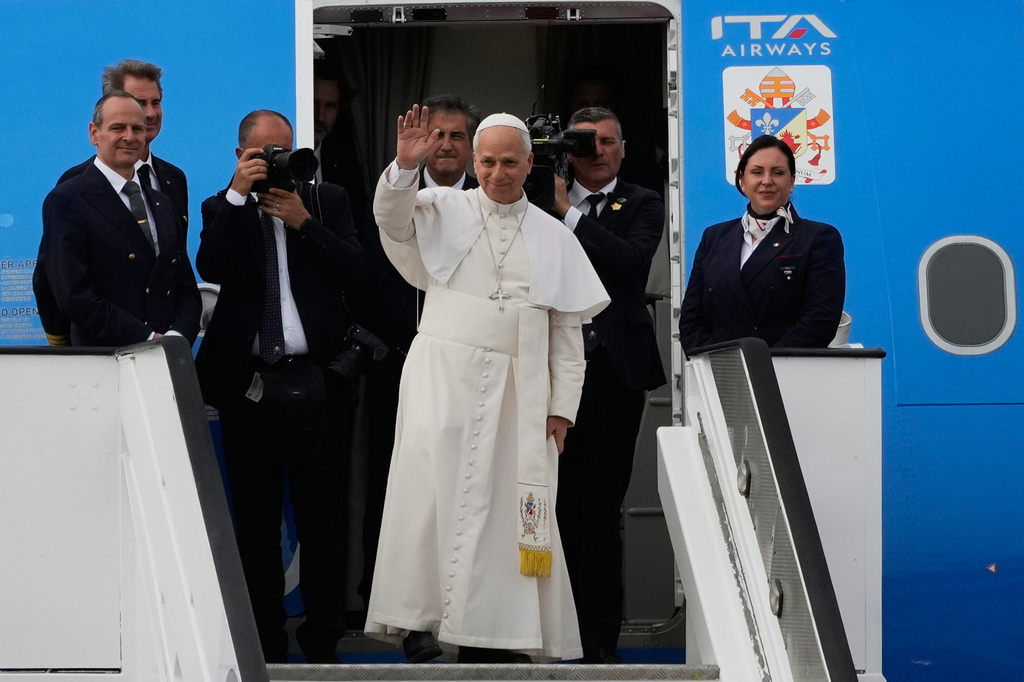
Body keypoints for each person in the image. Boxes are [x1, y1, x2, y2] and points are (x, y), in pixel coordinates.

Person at [364, 106, 609, 664]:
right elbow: (390, 218)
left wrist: (561, 410)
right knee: (428, 498)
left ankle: (499, 631)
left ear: (531, 165)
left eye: (511, 163)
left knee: (509, 511)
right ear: (474, 162)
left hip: (519, 392)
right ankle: (419, 620)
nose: (500, 173)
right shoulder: (441, 207)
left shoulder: (554, 235)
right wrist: (405, 165)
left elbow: (566, 333)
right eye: (489, 162)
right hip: (441, 377)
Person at [193, 109, 365, 663]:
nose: (276, 163)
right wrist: (241, 197)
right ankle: (264, 641)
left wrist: (304, 222)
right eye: (264, 153)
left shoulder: (326, 200)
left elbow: (356, 270)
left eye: (284, 151)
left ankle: (323, 640)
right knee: (257, 524)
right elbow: (211, 264)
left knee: (323, 522)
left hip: (320, 382)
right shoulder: (222, 207)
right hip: (251, 387)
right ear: (240, 155)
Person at [548, 107, 667, 664]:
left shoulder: (642, 201)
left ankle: (598, 643)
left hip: (613, 373)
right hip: (548, 371)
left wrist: (569, 213)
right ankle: (547, 635)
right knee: (546, 506)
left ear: (623, 148)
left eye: (605, 142)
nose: (594, 151)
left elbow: (629, 263)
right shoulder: (533, 196)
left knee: (599, 510)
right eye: (582, 142)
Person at [37, 59, 190, 346]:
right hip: (104, 354)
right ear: (95, 133)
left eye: (155, 103)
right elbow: (56, 280)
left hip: (163, 353)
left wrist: (175, 338)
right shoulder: (72, 188)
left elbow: (176, 273)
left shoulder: (171, 183)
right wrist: (60, 345)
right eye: (138, 102)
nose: (149, 113)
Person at [678, 134, 845, 352]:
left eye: (778, 172)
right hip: (721, 374)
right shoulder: (714, 238)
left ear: (792, 182)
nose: (767, 181)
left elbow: (820, 320)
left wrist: (767, 363)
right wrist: (718, 363)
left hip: (786, 372)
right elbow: (691, 319)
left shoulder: (819, 238)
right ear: (742, 181)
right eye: (757, 172)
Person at [314, 60, 369, 228]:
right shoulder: (279, 160)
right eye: (314, 103)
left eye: (329, 106)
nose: (320, 116)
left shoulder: (348, 170)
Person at [418, 94, 480, 190]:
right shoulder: (400, 193)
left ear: (472, 146)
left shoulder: (487, 198)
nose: (446, 146)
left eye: (456, 136)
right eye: (438, 135)